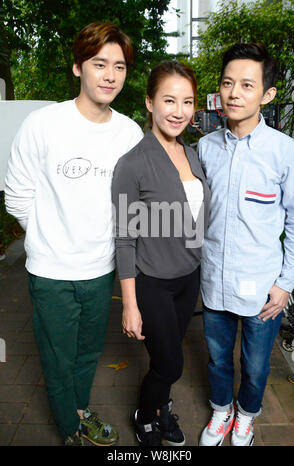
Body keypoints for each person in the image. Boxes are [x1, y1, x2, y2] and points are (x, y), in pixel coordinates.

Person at [5, 22, 143, 446]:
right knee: (57, 358)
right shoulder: (43, 124)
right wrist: (49, 235)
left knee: (87, 355)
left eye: (118, 66)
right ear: (78, 67)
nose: (109, 75)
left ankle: (79, 413)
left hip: (100, 271)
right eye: (99, 64)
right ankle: (69, 430)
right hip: (51, 271)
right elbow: (17, 195)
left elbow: (132, 205)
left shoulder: (129, 133)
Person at [198, 42, 294, 447]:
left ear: (267, 94)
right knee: (218, 359)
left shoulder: (286, 153)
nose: (235, 93)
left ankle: (246, 416)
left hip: (263, 290)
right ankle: (221, 411)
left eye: (246, 85)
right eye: (227, 83)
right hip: (213, 283)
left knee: (256, 367)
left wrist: (286, 282)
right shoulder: (204, 149)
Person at [112, 61, 211, 446]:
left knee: (166, 359)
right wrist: (129, 305)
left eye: (187, 102)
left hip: (189, 279)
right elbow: (124, 238)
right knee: (170, 362)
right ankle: (145, 415)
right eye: (169, 100)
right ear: (150, 102)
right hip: (151, 283)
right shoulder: (132, 163)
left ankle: (160, 408)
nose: (179, 111)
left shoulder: (193, 153)